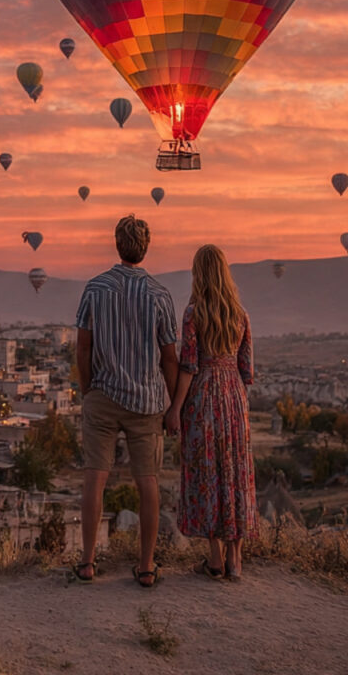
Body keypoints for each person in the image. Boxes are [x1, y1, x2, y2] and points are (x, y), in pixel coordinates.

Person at [74, 214, 179, 588]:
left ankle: (87, 563)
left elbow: (83, 346)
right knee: (147, 482)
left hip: (102, 393)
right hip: (147, 401)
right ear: (146, 247)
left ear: (117, 244)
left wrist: (88, 389)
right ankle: (146, 566)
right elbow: (169, 356)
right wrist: (172, 405)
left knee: (94, 478)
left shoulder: (95, 289)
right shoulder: (160, 295)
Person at [164, 244, 258, 581]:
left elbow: (188, 365)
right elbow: (247, 370)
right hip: (234, 397)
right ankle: (237, 558)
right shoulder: (241, 315)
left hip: (203, 396)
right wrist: (235, 401)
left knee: (208, 474)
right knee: (234, 473)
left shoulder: (193, 314)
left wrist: (175, 409)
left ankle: (215, 559)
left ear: (198, 274)